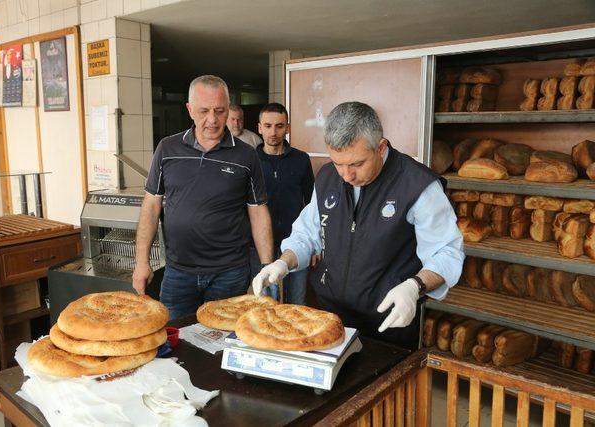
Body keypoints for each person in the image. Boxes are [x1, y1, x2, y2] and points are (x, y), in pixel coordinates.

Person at [252, 101, 464, 350]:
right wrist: (283, 262)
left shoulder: (417, 185)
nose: (346, 175)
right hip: (330, 318)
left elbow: (447, 252)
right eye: (338, 163)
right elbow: (308, 233)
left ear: (380, 147)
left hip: (388, 320)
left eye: (356, 164)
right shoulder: (328, 177)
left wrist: (414, 286)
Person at [133, 75, 274, 320]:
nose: (212, 120)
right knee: (175, 340)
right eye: (204, 111)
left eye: (220, 111)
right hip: (178, 272)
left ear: (228, 109)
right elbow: (151, 207)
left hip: (229, 273)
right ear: (189, 110)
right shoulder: (167, 149)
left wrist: (267, 268)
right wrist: (141, 261)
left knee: (221, 345)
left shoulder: (246, 156)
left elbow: (258, 211)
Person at [249, 103, 314, 304]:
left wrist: (316, 245)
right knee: (265, 301)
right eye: (267, 126)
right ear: (259, 128)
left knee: (297, 300)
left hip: (295, 242)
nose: (273, 132)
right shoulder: (250, 160)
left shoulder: (301, 159)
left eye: (279, 126)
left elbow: (312, 203)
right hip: (258, 244)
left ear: (288, 127)